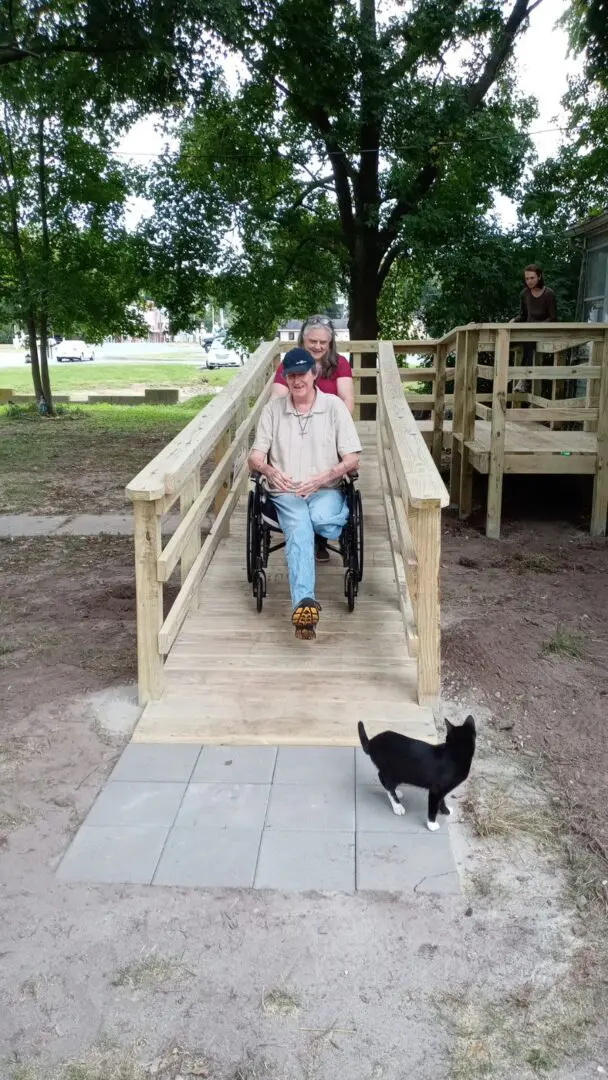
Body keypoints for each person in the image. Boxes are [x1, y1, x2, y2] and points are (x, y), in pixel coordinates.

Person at [248, 347, 361, 640]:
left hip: (325, 488)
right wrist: (270, 471)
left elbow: (352, 460)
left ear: (315, 374)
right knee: (299, 526)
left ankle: (323, 527)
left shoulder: (335, 407)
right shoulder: (273, 410)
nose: (297, 381)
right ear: (285, 378)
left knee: (322, 520)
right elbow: (255, 457)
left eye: (302, 374)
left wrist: (322, 477)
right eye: (291, 375)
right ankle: (304, 606)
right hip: (286, 493)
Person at [273, 315, 354, 561]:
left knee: (330, 464)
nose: (318, 346)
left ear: (330, 344)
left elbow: (347, 403)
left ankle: (322, 526)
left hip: (330, 429)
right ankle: (305, 530)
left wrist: (328, 427)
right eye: (312, 341)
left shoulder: (339, 364)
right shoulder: (290, 365)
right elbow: (277, 402)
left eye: (323, 342)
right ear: (302, 340)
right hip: (294, 428)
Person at [512, 265, 558, 393]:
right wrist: (513, 321)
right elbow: (523, 315)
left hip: (543, 331)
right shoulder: (524, 294)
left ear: (539, 276)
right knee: (507, 341)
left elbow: (553, 318)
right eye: (527, 278)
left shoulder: (549, 294)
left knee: (529, 342)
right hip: (528, 331)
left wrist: (538, 326)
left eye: (532, 278)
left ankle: (523, 380)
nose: (529, 281)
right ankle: (509, 374)